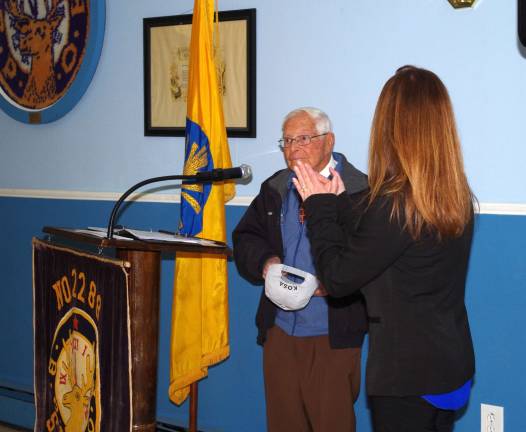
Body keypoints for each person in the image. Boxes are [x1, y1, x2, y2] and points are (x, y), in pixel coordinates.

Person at [292, 66, 475, 432]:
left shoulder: (396, 205)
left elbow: (338, 278)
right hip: (450, 365)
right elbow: (384, 240)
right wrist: (338, 204)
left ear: (391, 128)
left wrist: (318, 210)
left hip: (408, 377)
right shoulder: (456, 197)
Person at [233, 107, 368, 432]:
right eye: (287, 141)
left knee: (331, 423)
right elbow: (245, 237)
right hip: (279, 331)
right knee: (283, 423)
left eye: (303, 139)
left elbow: (369, 259)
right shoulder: (276, 189)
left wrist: (333, 281)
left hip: (331, 334)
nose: (293, 149)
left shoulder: (359, 191)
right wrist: (267, 263)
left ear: (329, 141)